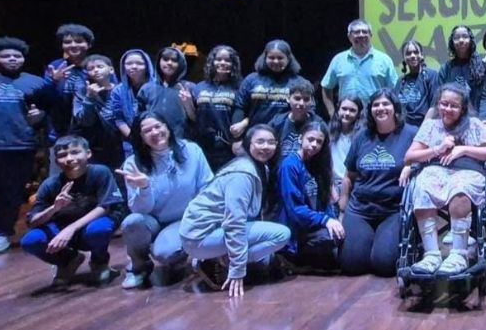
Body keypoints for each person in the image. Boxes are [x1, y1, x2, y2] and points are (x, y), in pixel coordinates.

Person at [180, 124, 291, 297]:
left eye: (271, 142)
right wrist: (237, 269)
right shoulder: (243, 173)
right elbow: (234, 222)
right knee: (281, 235)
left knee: (266, 256)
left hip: (213, 231)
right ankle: (219, 260)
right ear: (249, 144)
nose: (266, 147)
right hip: (200, 237)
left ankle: (216, 258)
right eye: (260, 142)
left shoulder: (260, 167)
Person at [404, 83, 486, 275]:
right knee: (421, 186)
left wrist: (463, 149)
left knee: (460, 188)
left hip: (468, 171)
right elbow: (409, 157)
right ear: (438, 104)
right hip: (436, 170)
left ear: (463, 108)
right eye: (444, 104)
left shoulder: (474, 124)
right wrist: (437, 149)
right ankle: (431, 255)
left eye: (454, 106)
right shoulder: (431, 126)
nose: (448, 109)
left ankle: (458, 255)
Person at [116, 112, 213, 289]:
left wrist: (199, 224)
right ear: (140, 137)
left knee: (164, 253)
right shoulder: (133, 163)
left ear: (167, 127)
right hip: (152, 220)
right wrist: (144, 187)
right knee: (131, 222)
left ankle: (182, 254)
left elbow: (207, 188)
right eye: (147, 131)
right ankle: (139, 268)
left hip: (185, 219)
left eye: (158, 126)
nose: (154, 132)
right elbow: (139, 210)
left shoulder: (191, 150)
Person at [21, 136, 124, 286]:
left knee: (99, 229)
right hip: (62, 229)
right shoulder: (50, 184)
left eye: (75, 152)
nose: (69, 158)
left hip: (91, 226)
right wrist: (54, 208)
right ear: (56, 161)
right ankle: (67, 260)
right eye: (62, 155)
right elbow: (33, 221)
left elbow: (105, 206)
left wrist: (71, 228)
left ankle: (99, 262)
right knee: (31, 241)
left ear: (88, 153)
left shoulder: (100, 172)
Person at [339, 89, 417, 276]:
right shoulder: (362, 136)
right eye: (376, 105)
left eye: (385, 104)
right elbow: (349, 174)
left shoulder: (410, 134)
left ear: (395, 108)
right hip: (360, 209)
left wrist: (412, 166)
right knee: (351, 265)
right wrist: (342, 207)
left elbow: (425, 161)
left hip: (393, 209)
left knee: (384, 265)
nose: (380, 108)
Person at [0, 37, 54, 253]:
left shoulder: (36, 82)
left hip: (20, 146)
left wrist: (41, 115)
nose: (12, 59)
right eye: (6, 55)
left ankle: (2, 232)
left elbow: (52, 110)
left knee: (10, 192)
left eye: (16, 56)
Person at [277, 121, 343, 270]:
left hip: (312, 224)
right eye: (310, 139)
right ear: (301, 138)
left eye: (319, 142)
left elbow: (323, 202)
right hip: (296, 229)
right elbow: (294, 209)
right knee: (330, 238)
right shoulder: (290, 165)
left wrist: (332, 220)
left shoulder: (316, 164)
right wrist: (325, 220)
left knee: (342, 234)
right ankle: (291, 258)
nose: (314, 145)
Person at [230, 39, 306, 139]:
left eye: (280, 58)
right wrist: (237, 139)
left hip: (288, 138)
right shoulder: (251, 79)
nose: (276, 61)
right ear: (265, 58)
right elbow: (240, 107)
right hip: (255, 137)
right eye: (271, 57)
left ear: (288, 59)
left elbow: (308, 111)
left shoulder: (299, 82)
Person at [321, 19, 398, 117]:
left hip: (375, 118)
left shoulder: (384, 60)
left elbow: (394, 90)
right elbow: (326, 87)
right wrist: (332, 113)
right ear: (349, 37)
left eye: (365, 32)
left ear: (370, 35)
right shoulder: (338, 59)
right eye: (356, 32)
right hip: (347, 118)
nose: (361, 35)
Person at [184, 45, 241, 170]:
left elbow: (247, 114)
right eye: (219, 59)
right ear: (212, 62)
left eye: (227, 60)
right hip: (202, 144)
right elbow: (194, 119)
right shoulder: (199, 87)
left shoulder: (240, 88)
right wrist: (188, 103)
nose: (223, 63)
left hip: (228, 146)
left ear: (234, 64)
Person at [44, 24, 95, 142]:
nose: (72, 45)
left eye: (78, 41)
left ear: (89, 45)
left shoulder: (97, 65)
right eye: (67, 42)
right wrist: (54, 80)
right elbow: (44, 97)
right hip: (58, 131)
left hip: (93, 131)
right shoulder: (55, 66)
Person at [71, 54, 123, 171]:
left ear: (111, 69)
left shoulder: (121, 89)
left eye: (100, 66)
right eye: (90, 69)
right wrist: (90, 98)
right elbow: (85, 121)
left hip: (119, 145)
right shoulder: (83, 90)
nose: (95, 70)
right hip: (94, 146)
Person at [108, 49, 156, 159]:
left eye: (139, 63)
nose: (133, 66)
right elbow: (119, 119)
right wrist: (134, 138)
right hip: (131, 141)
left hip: (157, 135)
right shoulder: (118, 91)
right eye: (129, 63)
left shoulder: (158, 87)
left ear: (147, 65)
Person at [436, 25, 486, 119]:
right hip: (451, 118)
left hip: (476, 119)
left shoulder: (482, 67)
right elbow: (439, 98)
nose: (461, 40)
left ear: (471, 40)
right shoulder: (445, 69)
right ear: (452, 42)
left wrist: (483, 119)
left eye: (465, 36)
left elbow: (485, 98)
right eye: (456, 38)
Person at [137, 47, 193, 139]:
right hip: (154, 139)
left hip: (182, 139)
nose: (169, 63)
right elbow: (140, 116)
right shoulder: (147, 88)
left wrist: (189, 105)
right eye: (165, 59)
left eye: (174, 60)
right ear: (159, 61)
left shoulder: (189, 87)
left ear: (180, 64)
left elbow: (197, 119)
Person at [270, 78, 324, 158]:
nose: (302, 103)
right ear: (288, 98)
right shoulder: (277, 122)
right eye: (297, 98)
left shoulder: (319, 124)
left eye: (306, 99)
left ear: (312, 101)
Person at [395, 39, 439, 127]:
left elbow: (435, 104)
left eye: (416, 52)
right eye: (408, 53)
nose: (412, 56)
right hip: (404, 127)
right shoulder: (401, 81)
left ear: (421, 55)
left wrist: (423, 129)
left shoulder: (431, 75)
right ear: (404, 58)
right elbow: (396, 107)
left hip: (425, 126)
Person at [330, 95, 363, 204]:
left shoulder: (361, 136)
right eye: (344, 109)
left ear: (358, 113)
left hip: (352, 185)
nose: (347, 113)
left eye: (352, 110)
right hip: (331, 184)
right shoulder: (329, 132)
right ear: (338, 109)